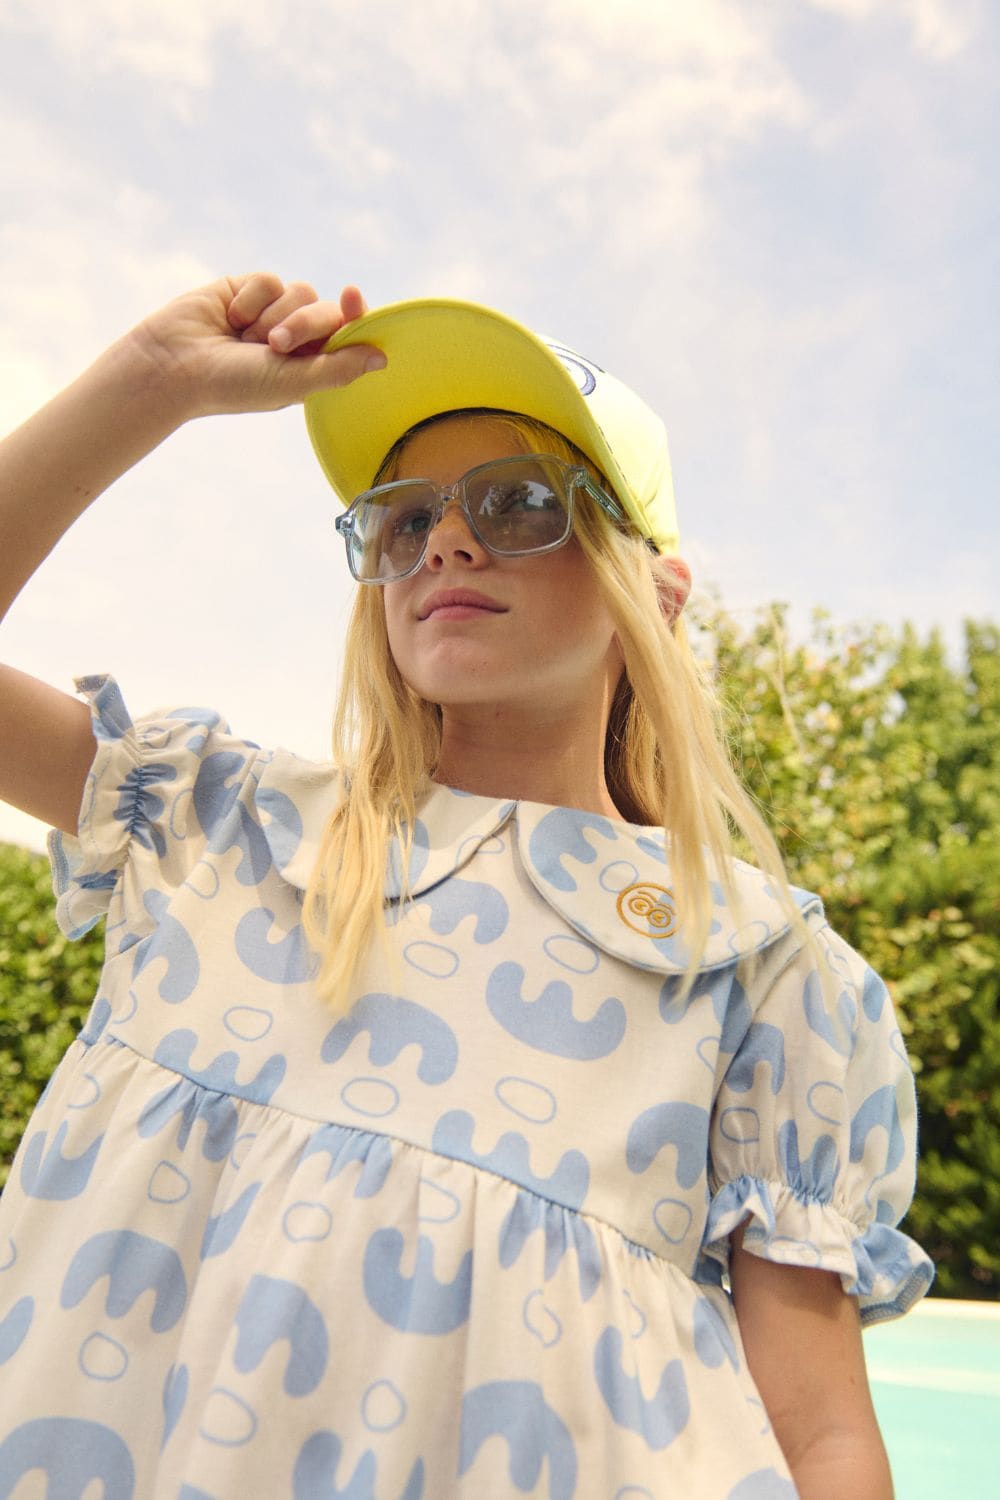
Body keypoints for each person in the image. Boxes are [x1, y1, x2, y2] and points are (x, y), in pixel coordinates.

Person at [0, 273, 933, 1499]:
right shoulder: (213, 824)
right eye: (402, 519)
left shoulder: (755, 968)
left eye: (519, 503)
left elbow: (817, 1434)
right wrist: (152, 384)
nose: (445, 538)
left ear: (651, 590)